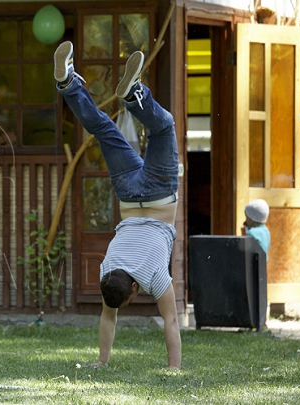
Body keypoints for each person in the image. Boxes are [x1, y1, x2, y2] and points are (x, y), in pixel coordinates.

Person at [54, 41, 181, 370]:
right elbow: (107, 315)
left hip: (160, 193)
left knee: (163, 128)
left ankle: (134, 93)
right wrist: (101, 361)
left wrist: (174, 369)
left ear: (134, 288)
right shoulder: (107, 271)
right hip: (127, 191)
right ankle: (68, 83)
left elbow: (171, 321)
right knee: (102, 127)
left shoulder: (152, 278)